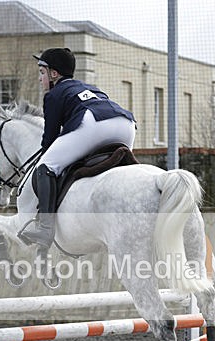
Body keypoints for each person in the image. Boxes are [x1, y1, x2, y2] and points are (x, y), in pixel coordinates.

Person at [20, 47, 136, 252]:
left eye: (41, 72)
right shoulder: (90, 88)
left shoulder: (54, 94)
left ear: (54, 74)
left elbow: (50, 138)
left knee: (46, 165)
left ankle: (45, 229)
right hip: (126, 125)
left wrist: (46, 155)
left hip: (95, 124)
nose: (40, 79)